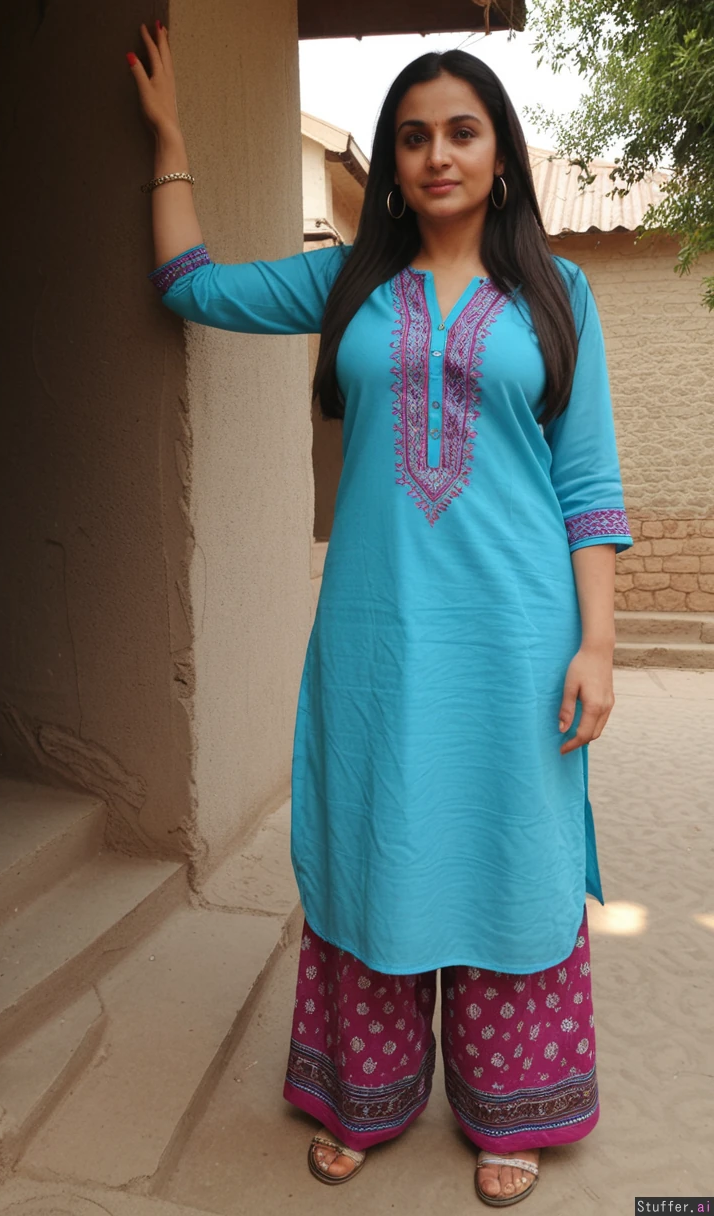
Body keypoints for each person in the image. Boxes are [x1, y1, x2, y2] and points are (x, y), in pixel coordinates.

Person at [127, 23, 632, 1207]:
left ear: (499, 153)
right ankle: (366, 1091)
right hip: (376, 636)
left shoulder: (557, 295)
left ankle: (511, 1105)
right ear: (394, 161)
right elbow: (189, 285)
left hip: (517, 640)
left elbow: (588, 484)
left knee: (508, 849)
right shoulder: (347, 283)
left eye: (461, 132)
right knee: (378, 840)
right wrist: (169, 138)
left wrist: (598, 643)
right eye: (413, 137)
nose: (435, 155)